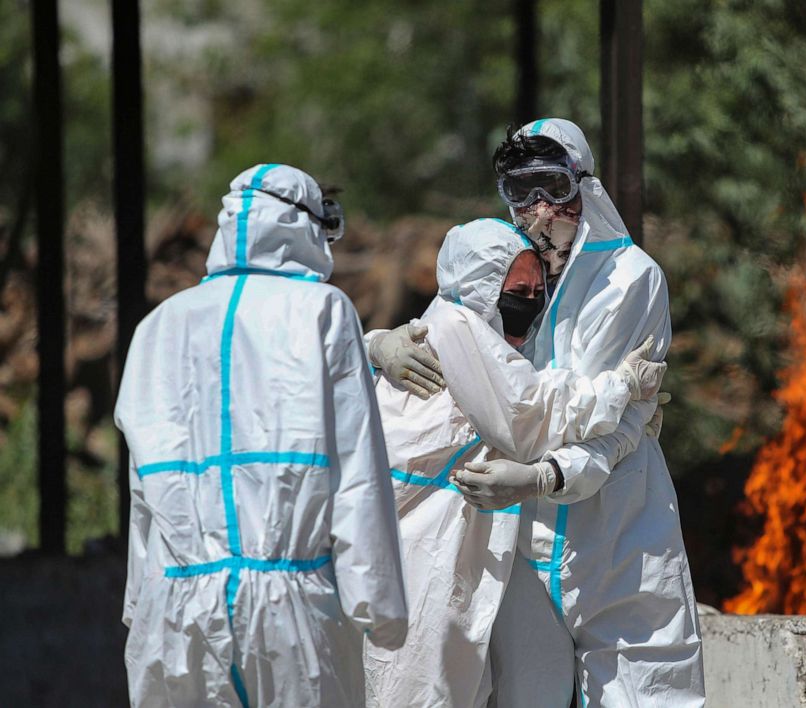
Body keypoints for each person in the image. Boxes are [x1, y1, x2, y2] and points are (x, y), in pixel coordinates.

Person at [115, 164, 407, 708]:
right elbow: (356, 470)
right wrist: (380, 606)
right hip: (289, 612)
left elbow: (141, 495)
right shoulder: (322, 310)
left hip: (174, 610)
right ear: (305, 228)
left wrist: (140, 603)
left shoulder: (157, 326)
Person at [364, 218, 667, 707]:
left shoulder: (466, 325)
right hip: (423, 549)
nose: (528, 301)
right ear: (481, 289)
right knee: (420, 689)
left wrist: (628, 426)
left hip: (455, 544)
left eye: (535, 289)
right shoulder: (460, 328)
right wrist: (623, 392)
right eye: (514, 290)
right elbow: (531, 417)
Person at [465, 119, 705, 707]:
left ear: (583, 186)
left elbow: (609, 428)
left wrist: (541, 475)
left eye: (550, 185)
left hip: (618, 533)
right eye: (520, 191)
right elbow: (446, 338)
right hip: (517, 540)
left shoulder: (631, 281)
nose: (538, 208)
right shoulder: (503, 273)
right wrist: (379, 346)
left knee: (648, 693)